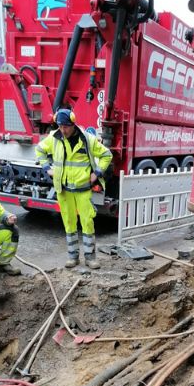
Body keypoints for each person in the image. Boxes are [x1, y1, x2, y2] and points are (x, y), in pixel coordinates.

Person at [36, 108, 112, 269]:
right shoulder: (54, 138)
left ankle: (90, 258)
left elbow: (107, 155)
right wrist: (46, 168)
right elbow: (40, 150)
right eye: (60, 126)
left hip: (83, 189)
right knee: (69, 223)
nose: (63, 130)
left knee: (87, 222)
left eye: (66, 127)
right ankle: (73, 257)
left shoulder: (87, 139)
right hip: (64, 190)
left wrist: (96, 173)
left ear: (73, 124)